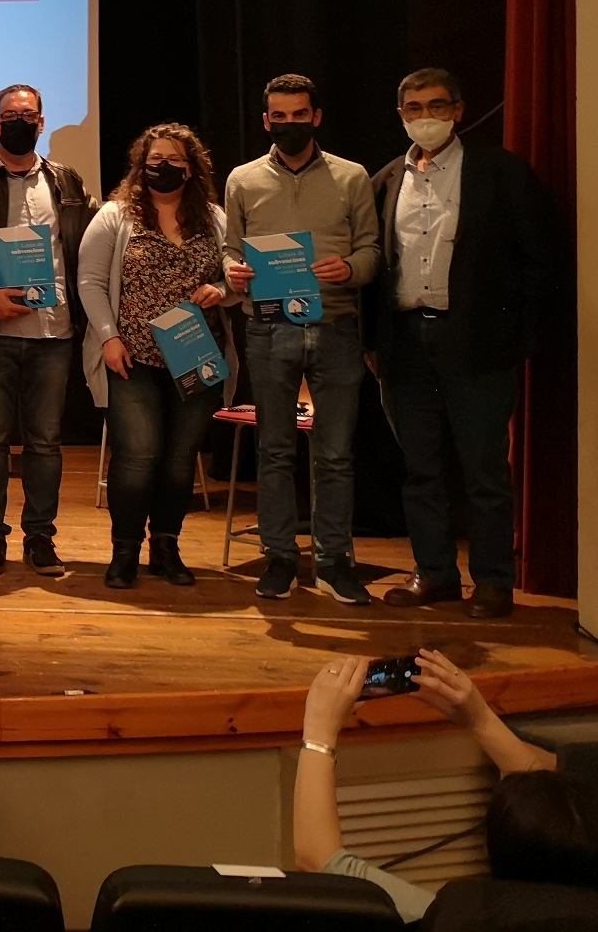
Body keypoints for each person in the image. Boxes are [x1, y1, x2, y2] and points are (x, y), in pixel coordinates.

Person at [369, 69, 556, 621]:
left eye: (435, 105)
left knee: (483, 468)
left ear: (457, 109)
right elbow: (377, 268)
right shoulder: (384, 181)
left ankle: (494, 582)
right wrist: (373, 342)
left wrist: (514, 336)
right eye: (412, 107)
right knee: (421, 469)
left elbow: (538, 261)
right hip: (403, 343)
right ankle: (436, 577)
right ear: (400, 114)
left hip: (474, 341)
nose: (424, 116)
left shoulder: (500, 173)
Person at [223, 73, 381, 606]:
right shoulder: (242, 179)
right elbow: (228, 253)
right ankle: (280, 558)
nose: (289, 124)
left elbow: (373, 252)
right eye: (279, 117)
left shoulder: (352, 176)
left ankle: (335, 562)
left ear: (316, 116)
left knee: (335, 455)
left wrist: (351, 268)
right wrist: (234, 273)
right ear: (266, 120)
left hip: (336, 327)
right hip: (268, 329)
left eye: (299, 115)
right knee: (273, 452)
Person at [296, 650, 571, 922]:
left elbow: (322, 863)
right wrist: (479, 719)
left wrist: (319, 731)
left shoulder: (461, 919)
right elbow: (551, 798)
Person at [78, 124, 234, 589]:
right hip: (132, 355)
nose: (163, 168)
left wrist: (222, 289)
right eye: (155, 160)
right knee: (138, 455)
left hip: (195, 355)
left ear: (193, 168)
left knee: (181, 458)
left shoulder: (215, 218)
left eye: (174, 161)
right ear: (141, 165)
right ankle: (124, 550)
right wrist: (109, 337)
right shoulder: (115, 216)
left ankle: (167, 545)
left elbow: (235, 279)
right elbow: (89, 281)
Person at [0, 84, 96, 578]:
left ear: (42, 121)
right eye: (9, 115)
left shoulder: (69, 182)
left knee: (45, 443)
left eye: (28, 114)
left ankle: (40, 537)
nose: (19, 121)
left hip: (53, 332)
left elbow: (81, 253)